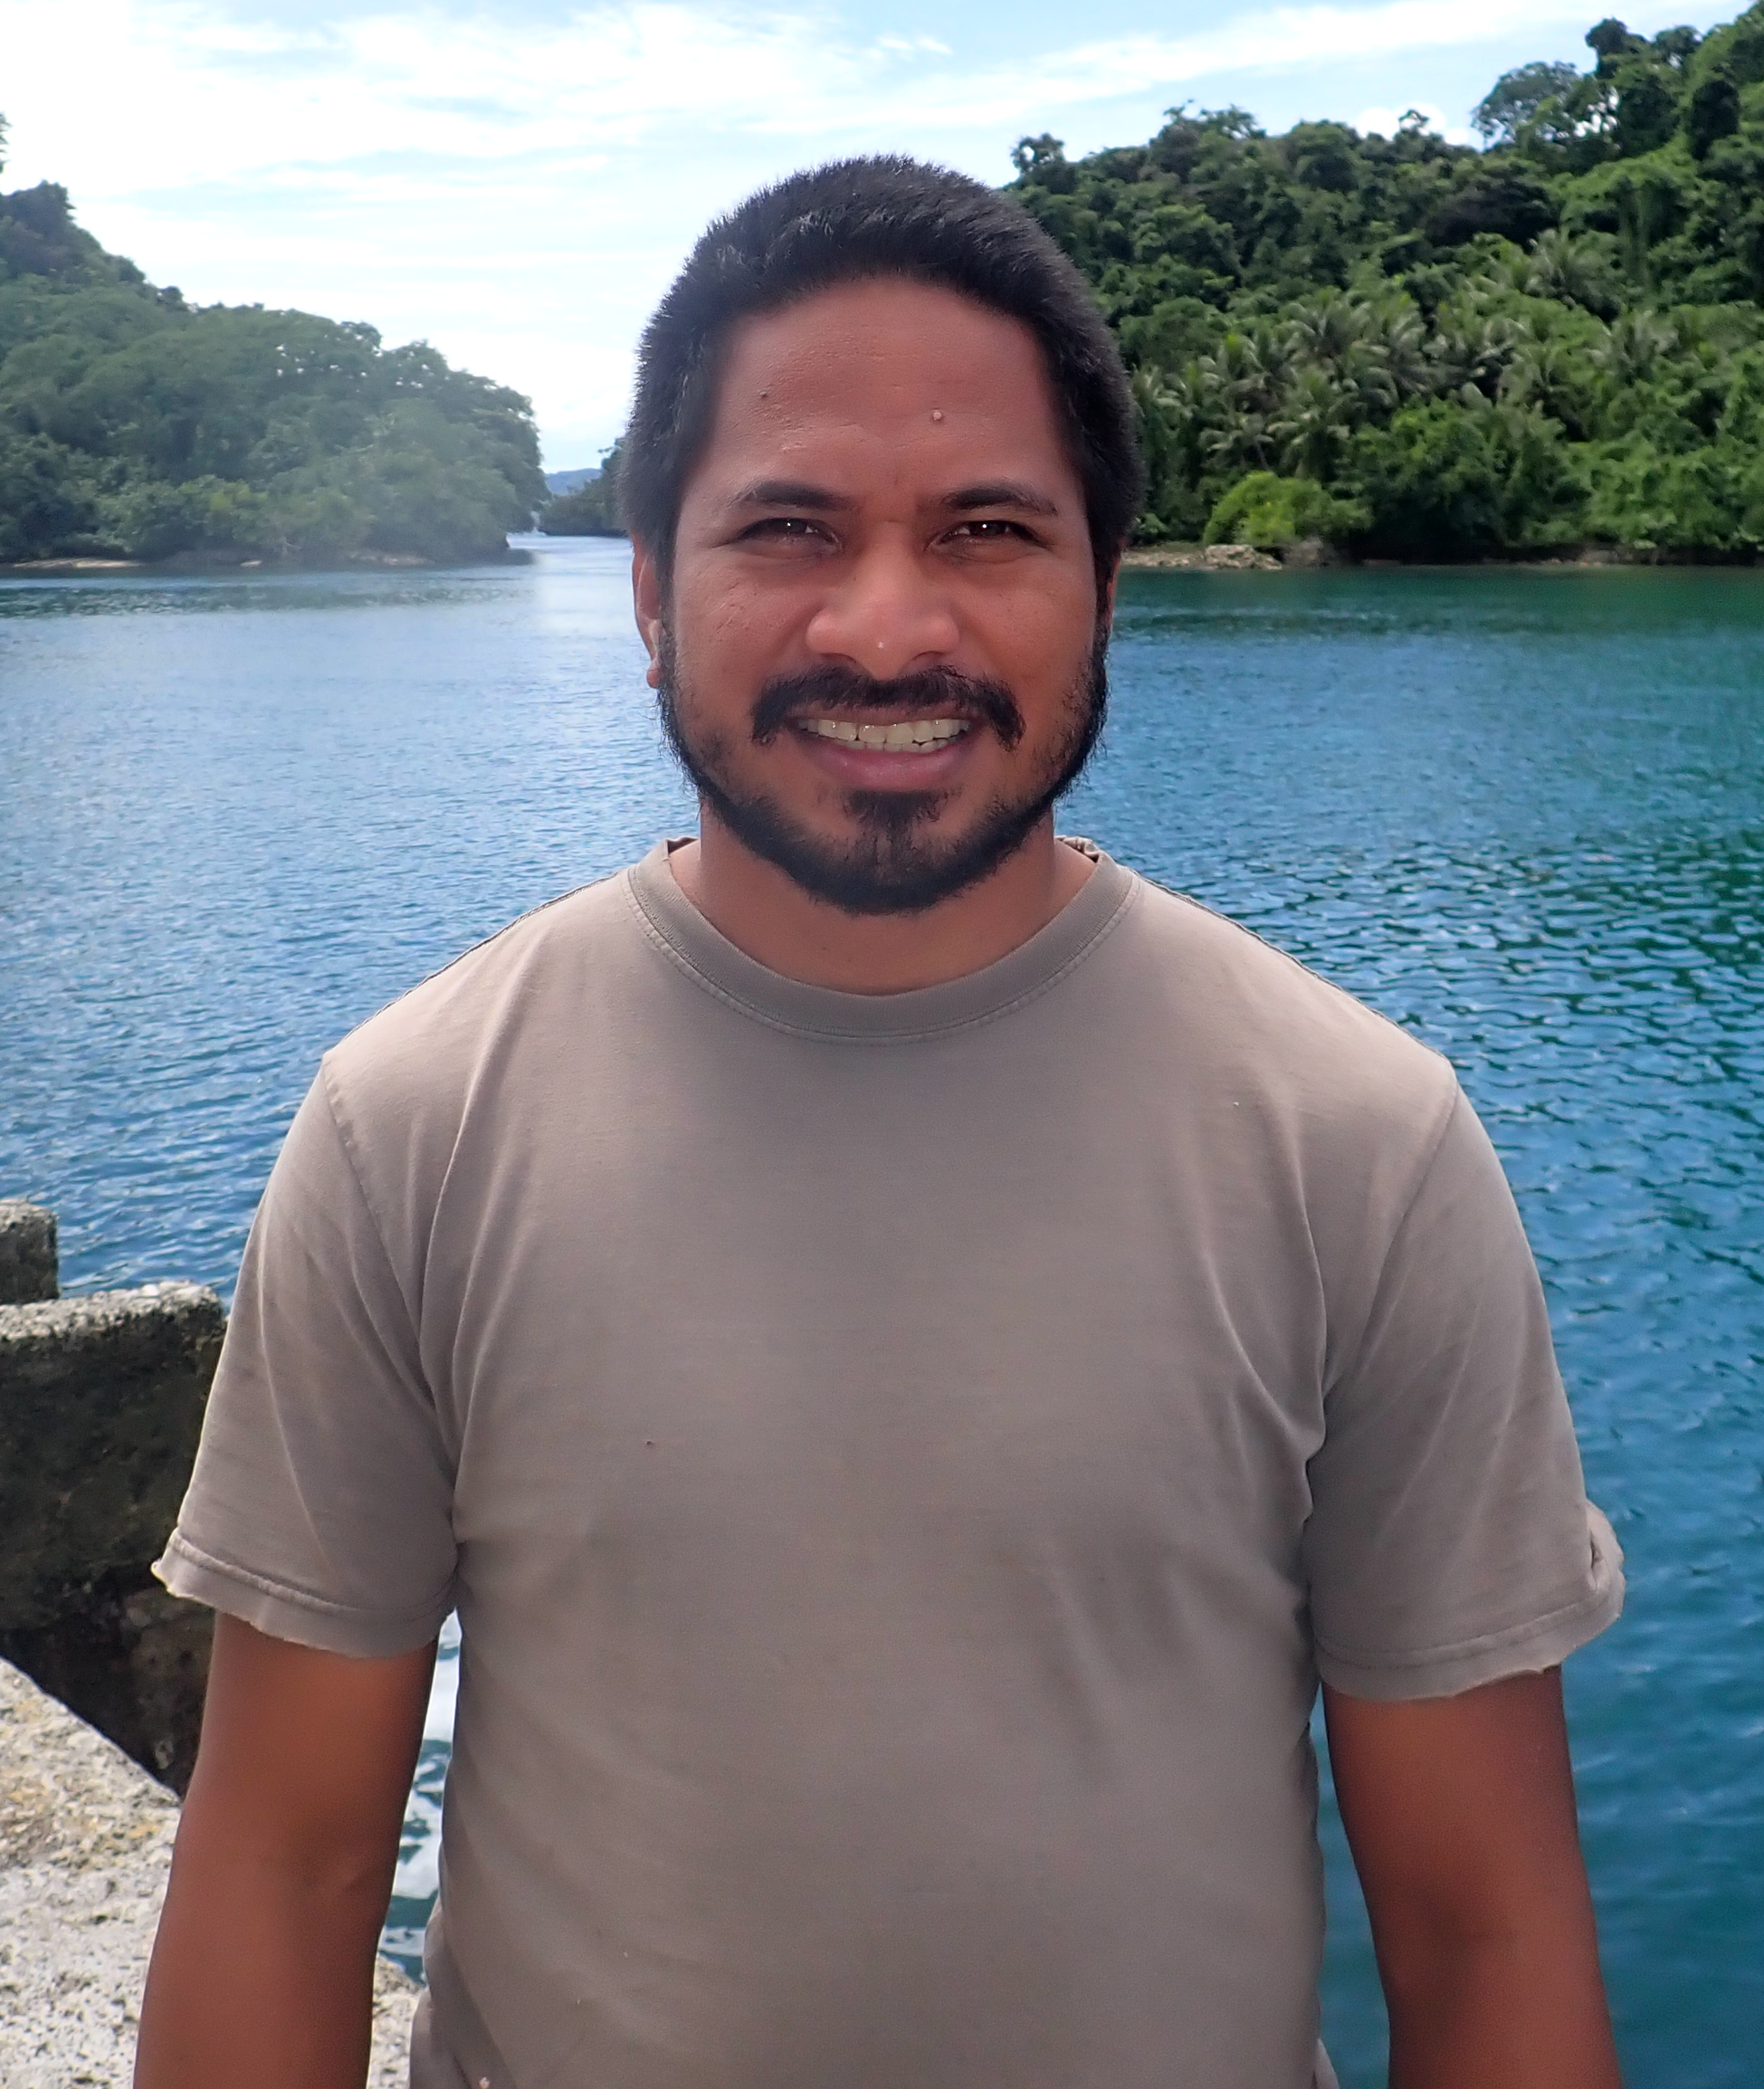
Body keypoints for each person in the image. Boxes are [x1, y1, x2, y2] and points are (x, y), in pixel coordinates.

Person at [135, 157, 1627, 2089]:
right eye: (788, 529)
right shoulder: (416, 1127)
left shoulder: (1353, 1142)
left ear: (1105, 588)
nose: (886, 626)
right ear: (651, 594)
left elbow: (1483, 1926)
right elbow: (284, 1863)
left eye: (989, 530)